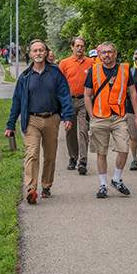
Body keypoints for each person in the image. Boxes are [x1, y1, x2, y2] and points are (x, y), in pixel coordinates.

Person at [6, 39, 75, 204]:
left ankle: (46, 186)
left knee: (50, 155)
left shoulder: (55, 73)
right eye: (34, 51)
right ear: (30, 54)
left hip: (52, 119)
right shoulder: (25, 77)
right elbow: (17, 101)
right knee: (32, 153)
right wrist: (10, 125)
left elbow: (65, 95)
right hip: (31, 120)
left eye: (41, 50)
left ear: (46, 53)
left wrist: (67, 117)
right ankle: (31, 189)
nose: (38, 53)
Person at [84, 41, 137, 198]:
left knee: (124, 148)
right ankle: (103, 184)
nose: (107, 55)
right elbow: (87, 95)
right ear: (100, 55)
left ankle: (116, 179)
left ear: (115, 54)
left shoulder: (124, 70)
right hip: (99, 116)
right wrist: (91, 116)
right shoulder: (93, 70)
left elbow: (133, 93)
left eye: (109, 52)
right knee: (101, 152)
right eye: (103, 52)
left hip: (118, 116)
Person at [58, 36, 95, 174]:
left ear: (85, 48)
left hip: (84, 101)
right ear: (72, 47)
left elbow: (96, 81)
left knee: (83, 131)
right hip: (68, 101)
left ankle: (83, 161)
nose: (79, 48)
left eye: (82, 46)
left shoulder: (91, 63)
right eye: (77, 46)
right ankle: (72, 157)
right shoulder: (65, 63)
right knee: (70, 131)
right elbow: (59, 83)